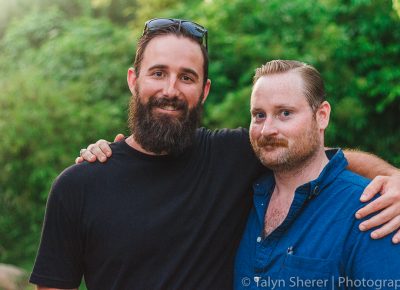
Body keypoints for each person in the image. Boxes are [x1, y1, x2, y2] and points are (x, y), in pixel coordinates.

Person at [31, 18, 400, 290]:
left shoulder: (235, 153)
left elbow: (315, 157)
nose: (170, 89)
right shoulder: (78, 186)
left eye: (186, 77)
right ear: (133, 80)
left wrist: (395, 180)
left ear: (204, 90)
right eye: (158, 73)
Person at [234, 60, 400, 289]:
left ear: (322, 116)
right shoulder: (243, 195)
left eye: (285, 113)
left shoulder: (372, 210)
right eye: (259, 115)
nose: (267, 130)